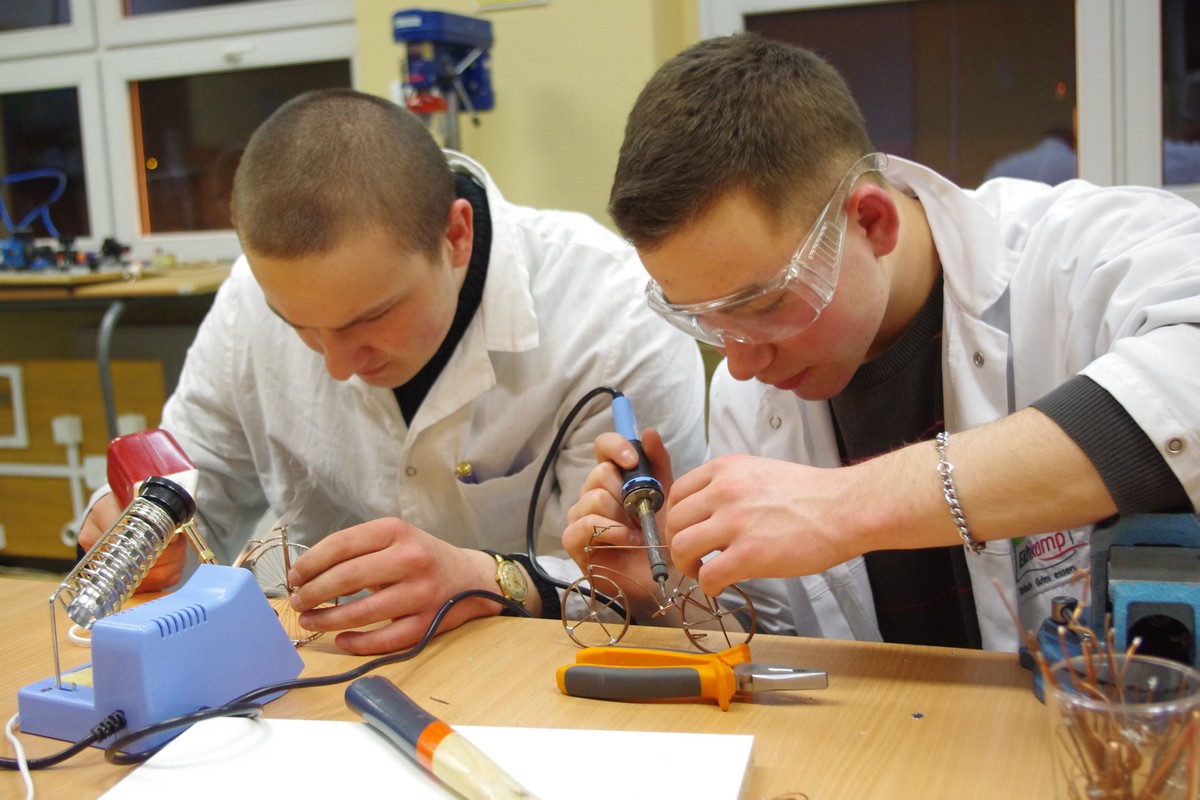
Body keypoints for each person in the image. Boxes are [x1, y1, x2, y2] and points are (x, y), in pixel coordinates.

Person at [563, 33, 1199, 652]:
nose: (742, 362)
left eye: (765, 306)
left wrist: (848, 506)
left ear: (871, 221)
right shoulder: (747, 396)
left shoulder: (1081, 253)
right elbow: (786, 644)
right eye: (706, 322)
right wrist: (663, 590)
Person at [78, 88, 707, 655]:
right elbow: (193, 495)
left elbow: (648, 585)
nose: (337, 365)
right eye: (298, 325)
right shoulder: (250, 301)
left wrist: (488, 579)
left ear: (455, 236)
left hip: (545, 682)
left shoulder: (615, 318)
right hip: (325, 677)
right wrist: (142, 534)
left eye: (370, 317)